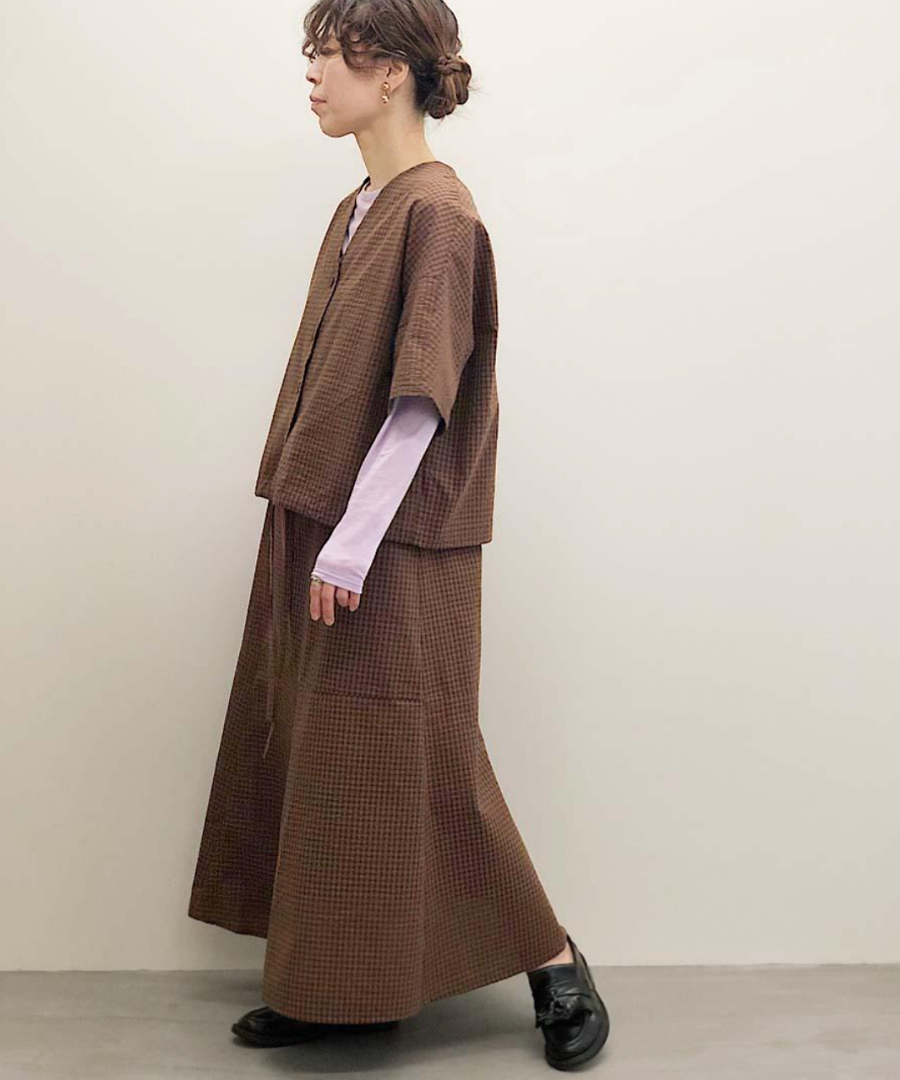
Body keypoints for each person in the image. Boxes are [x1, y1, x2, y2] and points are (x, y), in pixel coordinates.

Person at [187, 0, 610, 1070]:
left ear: (391, 71)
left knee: (423, 752)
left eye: (329, 54)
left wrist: (351, 544)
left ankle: (554, 959)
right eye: (314, 55)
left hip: (391, 544)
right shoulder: (359, 207)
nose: (313, 75)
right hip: (321, 526)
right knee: (332, 758)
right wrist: (317, 529)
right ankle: (339, 988)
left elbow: (423, 401)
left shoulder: (441, 214)